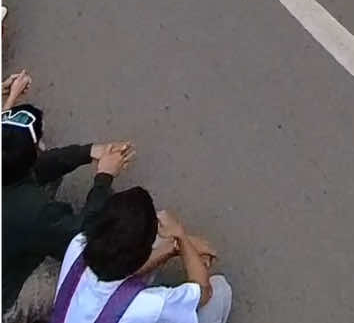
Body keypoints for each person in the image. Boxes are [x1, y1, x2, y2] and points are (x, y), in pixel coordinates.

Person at [3, 106, 135, 323]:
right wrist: (104, 178)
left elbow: (34, 166)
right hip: (6, 294)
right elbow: (81, 236)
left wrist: (88, 151)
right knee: (79, 287)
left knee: (50, 175)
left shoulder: (10, 171)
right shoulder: (35, 211)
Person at [53, 187, 231, 322]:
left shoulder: (78, 244)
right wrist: (181, 236)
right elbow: (204, 292)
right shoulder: (146, 304)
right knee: (220, 291)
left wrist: (172, 249)